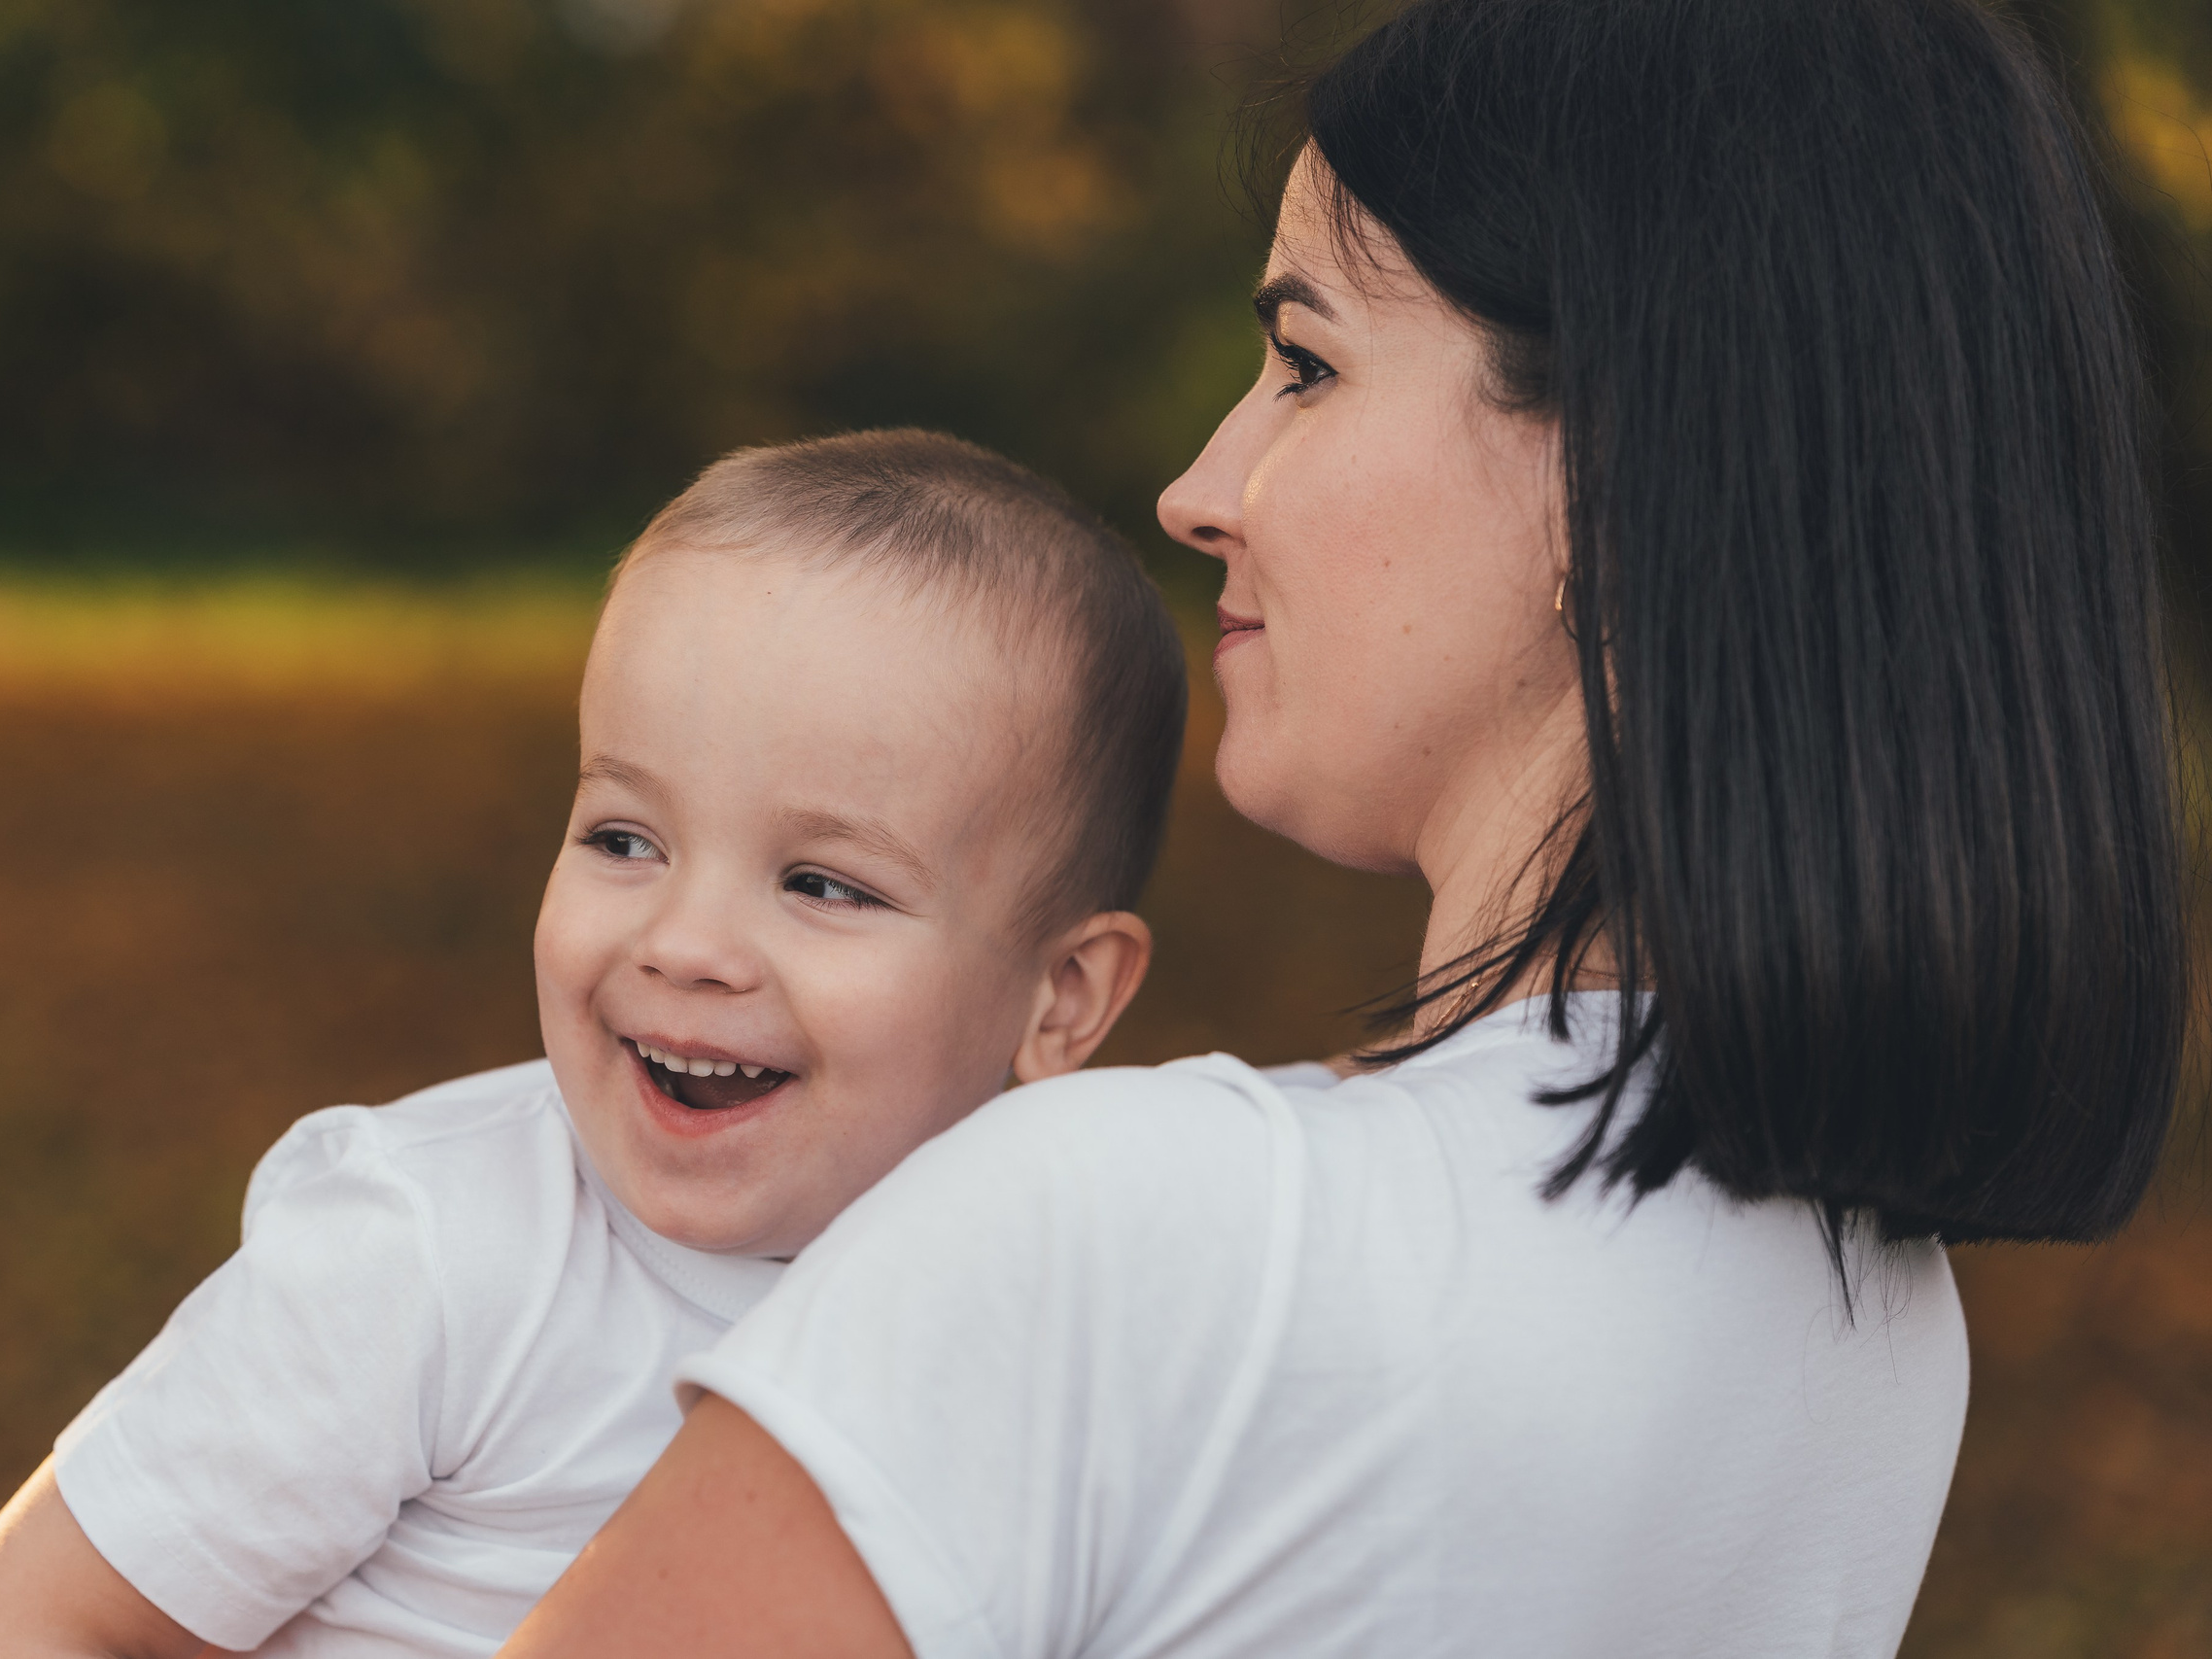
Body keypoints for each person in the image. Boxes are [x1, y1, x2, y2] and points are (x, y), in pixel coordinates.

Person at [494, 0, 2190, 1654]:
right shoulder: (1867, 1319)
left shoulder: (1130, 1239)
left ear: (1608, 476)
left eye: (1306, 362)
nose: (1200, 486)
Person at [0, 429, 1192, 1658]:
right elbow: (37, 1618)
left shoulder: (1051, 1334)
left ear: (1063, 997)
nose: (686, 941)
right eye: (623, 838)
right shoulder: (435, 1252)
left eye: (821, 884)